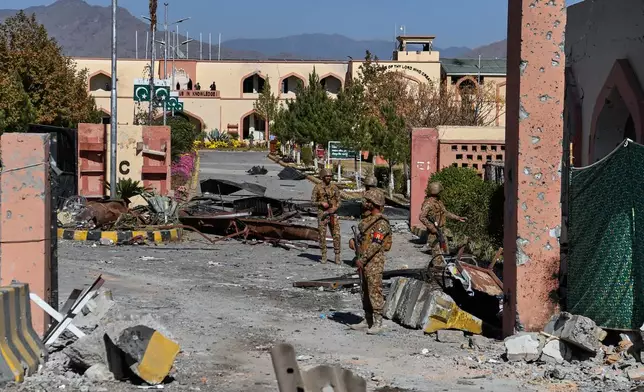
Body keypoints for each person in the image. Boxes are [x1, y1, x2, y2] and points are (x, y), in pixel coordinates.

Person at [349, 189, 391, 334]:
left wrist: (363, 259)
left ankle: (378, 322)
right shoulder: (368, 220)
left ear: (374, 203)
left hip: (374, 262)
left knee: (375, 291)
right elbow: (364, 238)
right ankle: (367, 319)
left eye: (368, 201)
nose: (365, 203)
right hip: (364, 261)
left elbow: (375, 244)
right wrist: (354, 242)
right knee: (365, 291)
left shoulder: (381, 223)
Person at [419, 181, 466, 266]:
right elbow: (422, 217)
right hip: (434, 233)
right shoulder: (428, 203)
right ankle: (436, 274)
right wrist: (432, 228)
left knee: (444, 253)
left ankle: (440, 271)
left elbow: (445, 212)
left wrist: (457, 218)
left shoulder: (438, 202)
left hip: (441, 231)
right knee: (437, 256)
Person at [311, 168, 342, 264]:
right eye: (327, 176)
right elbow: (312, 202)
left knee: (336, 235)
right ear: (323, 177)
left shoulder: (334, 188)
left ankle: (337, 255)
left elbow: (339, 201)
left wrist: (335, 208)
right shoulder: (317, 187)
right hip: (322, 214)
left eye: (330, 176)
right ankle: (324, 254)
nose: (329, 178)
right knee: (322, 235)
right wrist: (321, 203)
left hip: (333, 214)